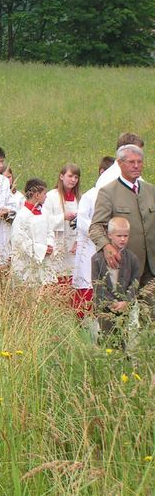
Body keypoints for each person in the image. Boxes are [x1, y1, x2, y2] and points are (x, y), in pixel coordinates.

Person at [90, 144, 155, 293]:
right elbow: (96, 227)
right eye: (131, 162)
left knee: (150, 314)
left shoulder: (151, 190)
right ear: (119, 163)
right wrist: (107, 247)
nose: (136, 166)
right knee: (119, 312)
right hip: (122, 266)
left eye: (140, 162)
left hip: (150, 269)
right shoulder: (108, 192)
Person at [73, 156, 116, 317]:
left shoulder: (115, 195)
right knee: (87, 282)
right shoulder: (90, 196)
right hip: (90, 246)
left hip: (110, 247)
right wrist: (100, 231)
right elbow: (81, 221)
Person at [92, 217, 140, 349]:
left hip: (125, 309)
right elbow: (97, 285)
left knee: (124, 340)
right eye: (119, 235)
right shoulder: (97, 259)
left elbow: (135, 284)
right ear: (109, 235)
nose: (123, 239)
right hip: (104, 310)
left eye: (126, 236)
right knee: (107, 341)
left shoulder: (132, 259)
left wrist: (126, 302)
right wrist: (110, 303)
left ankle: (125, 366)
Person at [10, 178, 56, 286]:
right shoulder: (22, 216)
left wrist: (49, 245)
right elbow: (20, 241)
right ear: (36, 195)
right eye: (44, 193)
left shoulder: (45, 213)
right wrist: (41, 250)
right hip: (27, 262)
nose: (46, 196)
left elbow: (50, 231)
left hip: (43, 260)